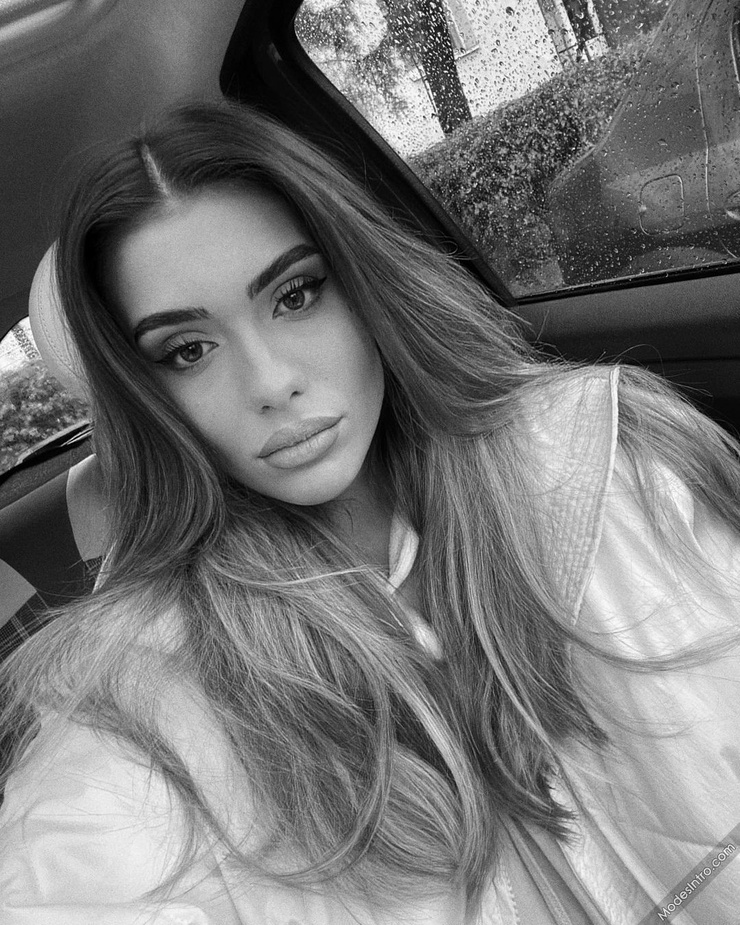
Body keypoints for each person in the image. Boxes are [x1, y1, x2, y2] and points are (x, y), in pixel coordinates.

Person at [1, 100, 739, 925]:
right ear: (147, 397)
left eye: (295, 295)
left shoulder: (602, 461)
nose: (271, 381)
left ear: (361, 280)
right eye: (188, 350)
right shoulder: (151, 690)